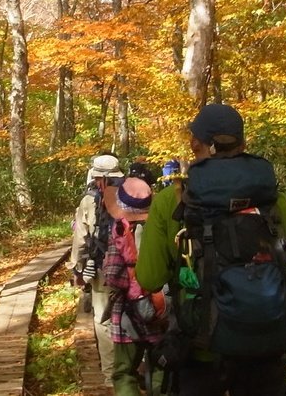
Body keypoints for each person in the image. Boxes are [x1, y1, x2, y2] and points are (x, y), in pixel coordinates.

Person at [136, 104, 286, 396]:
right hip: (265, 348)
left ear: (195, 145)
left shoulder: (174, 200)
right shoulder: (274, 202)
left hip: (200, 350)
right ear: (243, 144)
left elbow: (150, 277)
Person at [102, 176, 168, 396]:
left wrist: (130, 284)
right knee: (161, 367)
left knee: (124, 373)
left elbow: (113, 276)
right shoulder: (160, 228)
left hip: (128, 315)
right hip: (160, 309)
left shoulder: (121, 231)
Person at [69, 154, 122, 383]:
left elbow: (80, 238)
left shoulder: (90, 200)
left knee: (103, 319)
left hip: (101, 268)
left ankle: (111, 376)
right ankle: (134, 368)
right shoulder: (132, 194)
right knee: (134, 315)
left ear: (98, 177)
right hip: (132, 267)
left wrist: (76, 267)